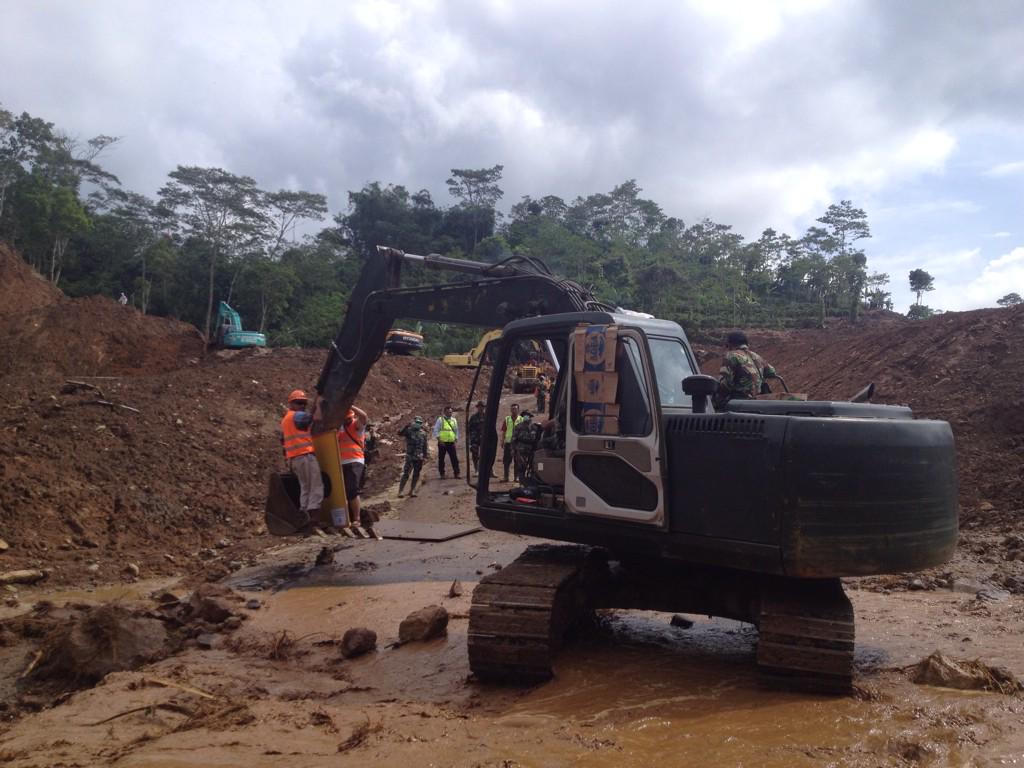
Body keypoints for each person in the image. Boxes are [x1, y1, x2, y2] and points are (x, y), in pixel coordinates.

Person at [279, 389, 323, 530]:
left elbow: (283, 441)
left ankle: (303, 515)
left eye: (304, 403)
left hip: (295, 458)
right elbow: (317, 418)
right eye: (299, 403)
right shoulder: (297, 416)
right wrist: (319, 404)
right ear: (291, 404)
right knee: (316, 486)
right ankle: (313, 518)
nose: (302, 406)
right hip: (304, 456)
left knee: (305, 488)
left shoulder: (286, 420)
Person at [338, 404, 380, 539]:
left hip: (354, 460)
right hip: (340, 463)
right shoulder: (339, 428)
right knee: (343, 492)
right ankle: (346, 518)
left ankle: (356, 519)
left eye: (349, 418)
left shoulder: (357, 425)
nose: (347, 420)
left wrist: (350, 405)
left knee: (352, 490)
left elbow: (364, 416)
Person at [715, 331, 779, 408]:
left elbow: (725, 384)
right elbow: (772, 372)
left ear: (730, 344)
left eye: (727, 346)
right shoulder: (756, 356)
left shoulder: (731, 356)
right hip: (758, 400)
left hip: (739, 402)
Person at [397, 416, 429, 497]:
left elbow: (425, 445)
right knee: (406, 474)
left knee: (416, 474)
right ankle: (400, 491)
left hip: (419, 457)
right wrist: (406, 426)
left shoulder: (423, 433)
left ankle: (412, 490)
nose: (418, 424)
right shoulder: (408, 431)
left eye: (419, 423)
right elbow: (400, 434)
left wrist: (425, 456)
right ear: (413, 422)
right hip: (410, 456)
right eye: (417, 422)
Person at [432, 405, 460, 479]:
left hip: (451, 442)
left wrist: (456, 438)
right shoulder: (440, 420)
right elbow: (436, 430)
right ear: (445, 412)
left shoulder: (454, 420)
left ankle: (457, 473)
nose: (450, 413)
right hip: (442, 443)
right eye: (448, 412)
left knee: (454, 459)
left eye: (451, 412)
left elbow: (456, 430)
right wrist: (439, 440)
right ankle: (442, 474)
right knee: (441, 459)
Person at [512, 410, 539, 483]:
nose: (526, 417)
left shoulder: (535, 427)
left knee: (533, 467)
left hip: (532, 450)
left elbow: (537, 439)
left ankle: (531, 482)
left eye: (528, 415)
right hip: (521, 450)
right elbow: (514, 439)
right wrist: (514, 450)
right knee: (521, 467)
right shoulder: (518, 426)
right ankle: (521, 482)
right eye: (525, 415)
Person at [500, 403, 523, 482]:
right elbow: (504, 431)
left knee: (517, 461)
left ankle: (516, 477)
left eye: (515, 409)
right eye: (512, 409)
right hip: (508, 443)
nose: (514, 410)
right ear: (510, 410)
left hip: (517, 444)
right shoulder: (507, 419)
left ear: (518, 410)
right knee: (506, 461)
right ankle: (506, 477)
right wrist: (502, 441)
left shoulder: (521, 419)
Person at [467, 400, 486, 475]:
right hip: (475, 439)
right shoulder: (473, 417)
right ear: (477, 408)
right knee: (475, 454)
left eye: (482, 407)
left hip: (485, 438)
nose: (481, 408)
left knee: (487, 455)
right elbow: (469, 428)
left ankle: (489, 470)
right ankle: (476, 470)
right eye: (479, 407)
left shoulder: (487, 416)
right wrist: (469, 439)